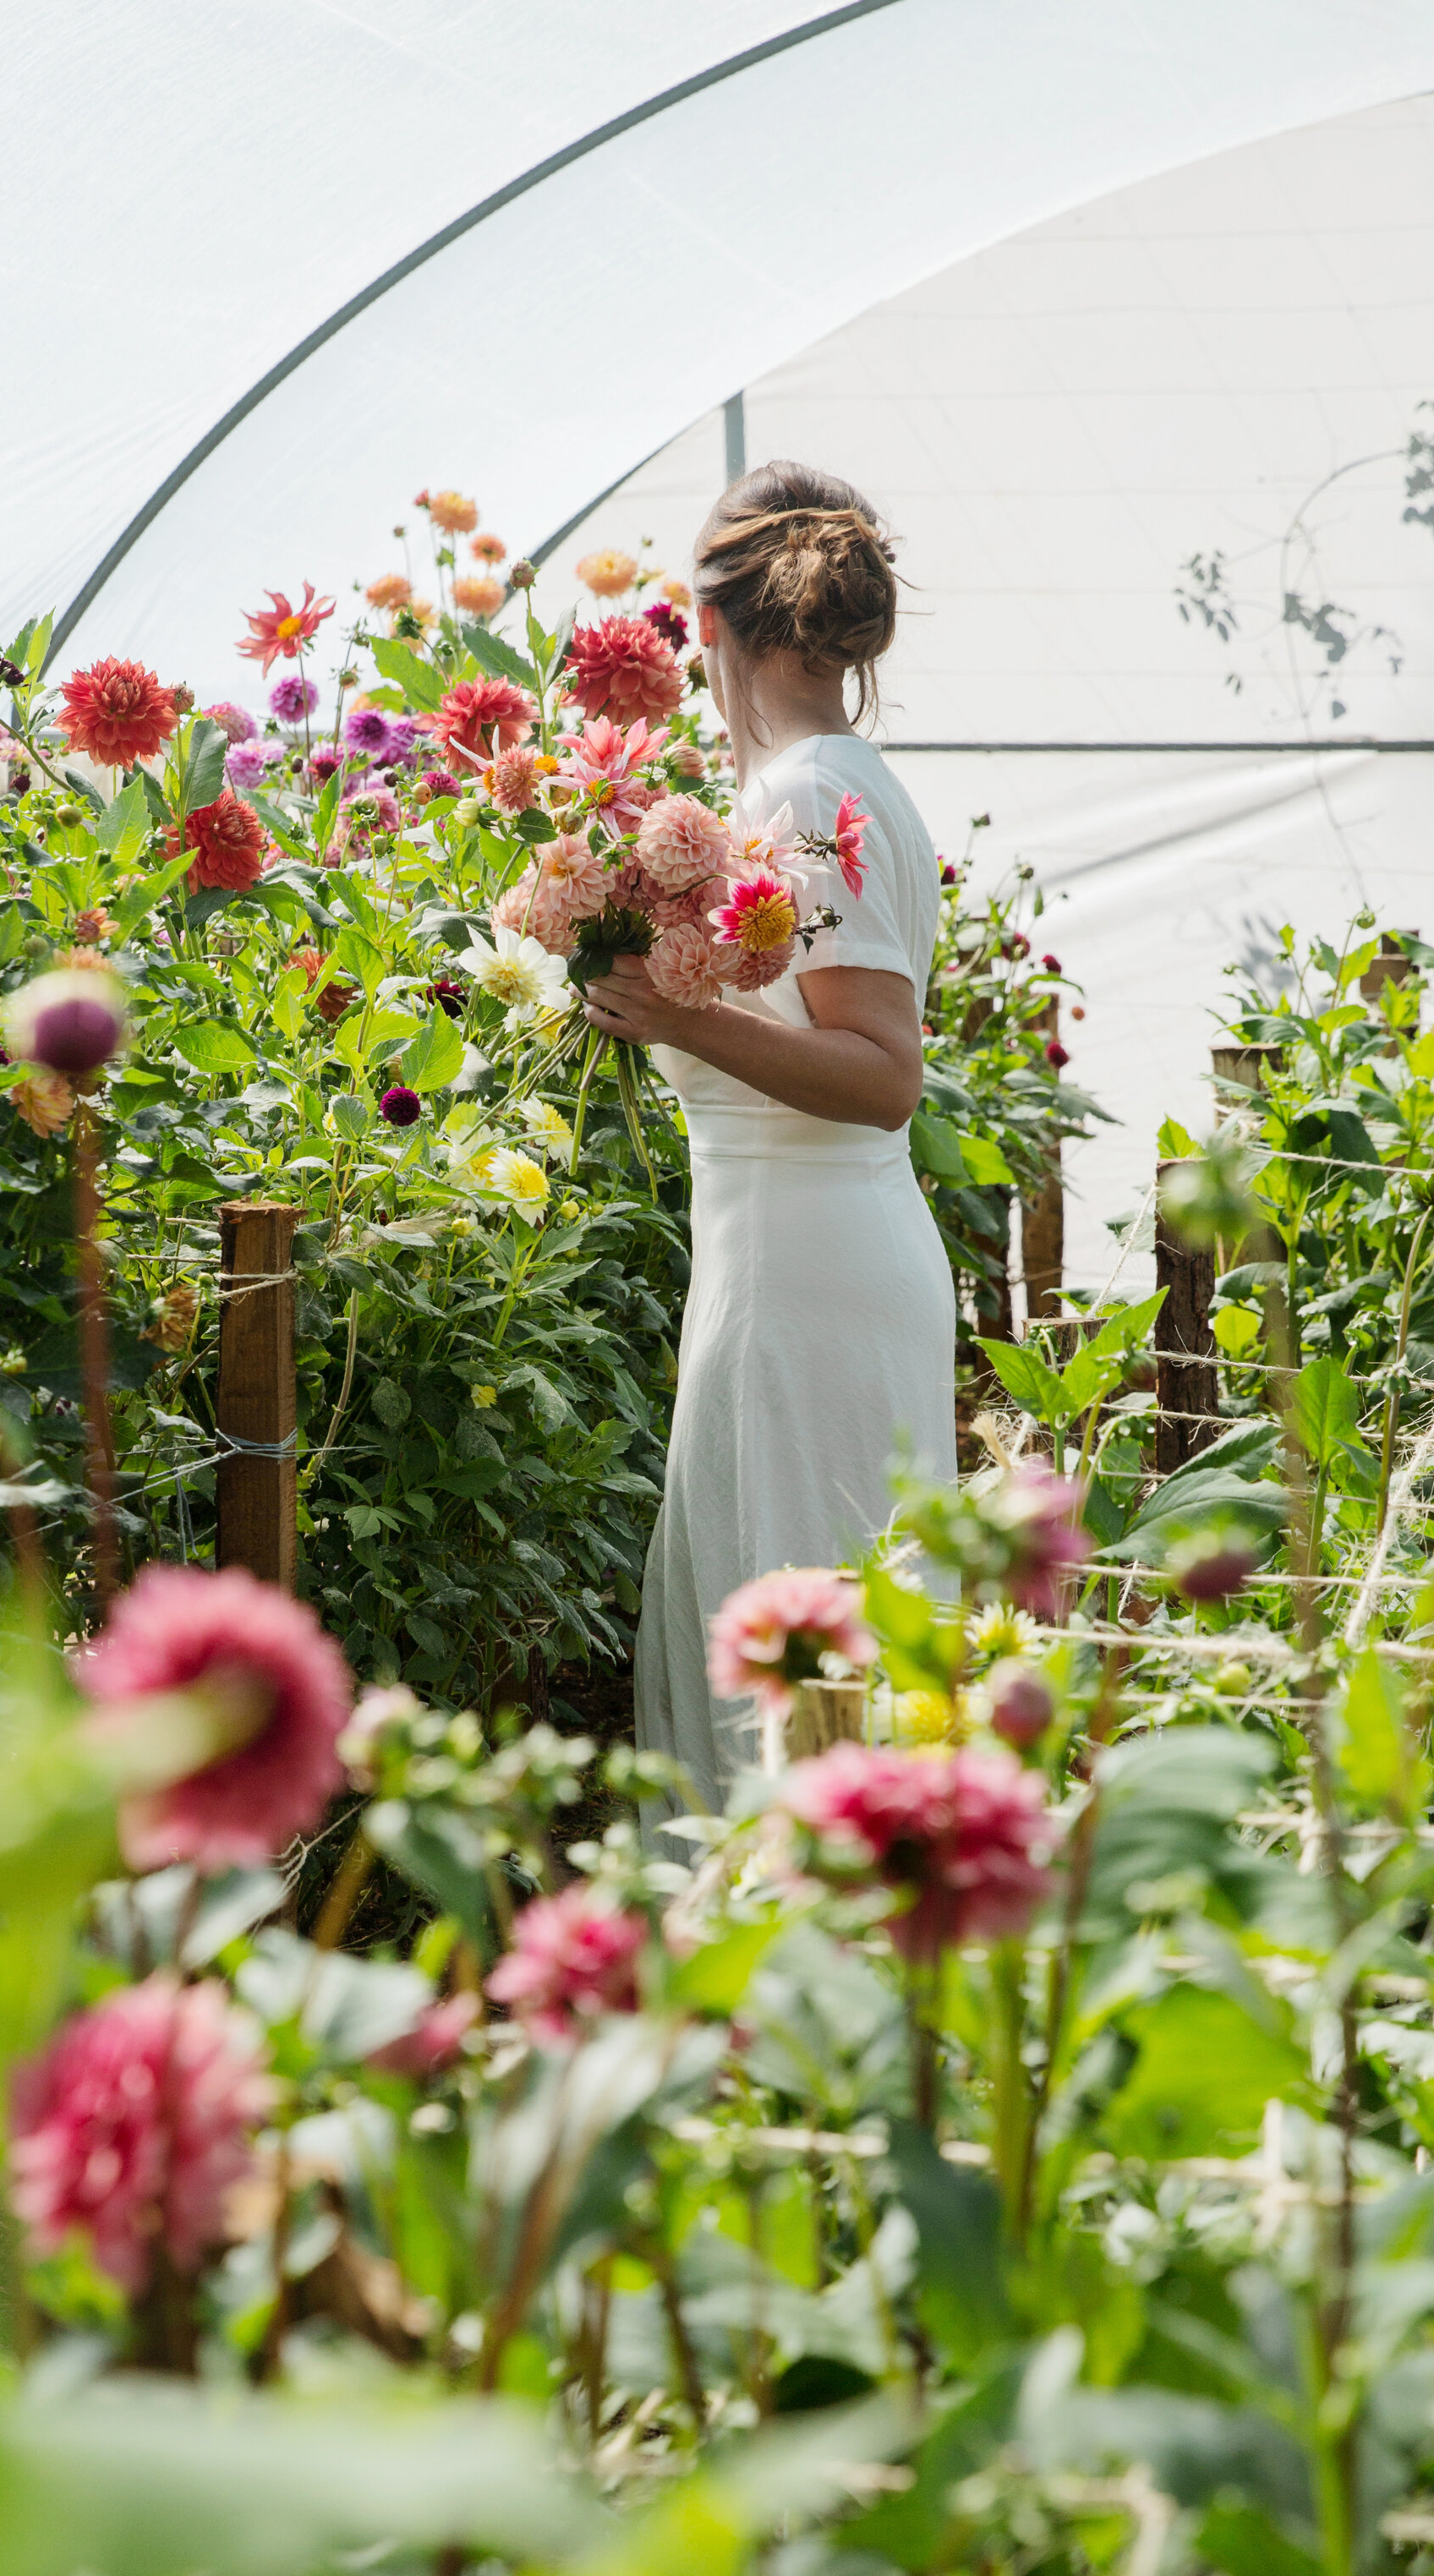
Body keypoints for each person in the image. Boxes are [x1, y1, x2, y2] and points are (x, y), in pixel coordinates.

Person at [584, 461, 958, 1810]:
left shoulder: (806, 794)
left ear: (724, 624)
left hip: (809, 1281)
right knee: (807, 1663)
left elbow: (881, 1073)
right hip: (802, 1264)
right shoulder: (830, 781)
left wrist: (672, 1017)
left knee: (791, 1679)